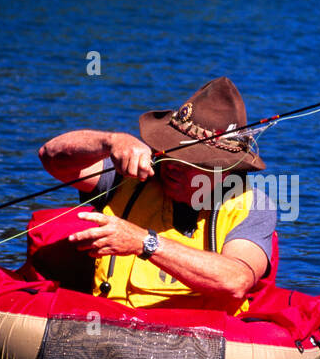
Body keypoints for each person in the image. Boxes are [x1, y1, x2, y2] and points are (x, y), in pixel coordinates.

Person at [38, 76, 277, 315]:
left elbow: (236, 281)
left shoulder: (253, 206)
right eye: (169, 150)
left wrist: (144, 243)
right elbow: (51, 158)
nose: (172, 165)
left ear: (223, 172)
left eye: (189, 161)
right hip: (110, 325)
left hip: (201, 341)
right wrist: (110, 142)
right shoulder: (132, 175)